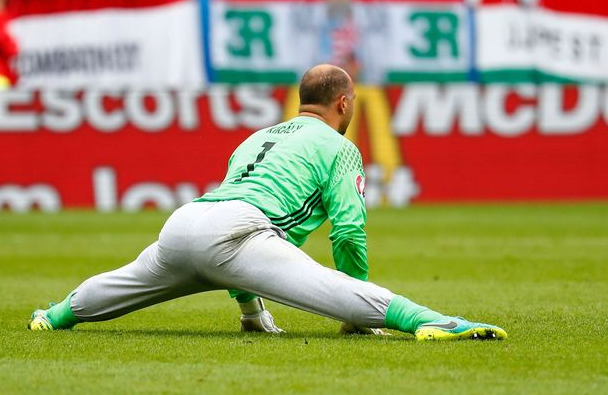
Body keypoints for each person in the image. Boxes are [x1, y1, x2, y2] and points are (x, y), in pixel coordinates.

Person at [29, 64, 507, 341]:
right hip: (236, 232)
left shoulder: (256, 137)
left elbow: (253, 242)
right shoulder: (340, 147)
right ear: (343, 103)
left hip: (186, 221)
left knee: (118, 286)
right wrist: (355, 314)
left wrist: (251, 312)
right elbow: (347, 230)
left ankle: (52, 316)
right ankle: (433, 322)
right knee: (335, 291)